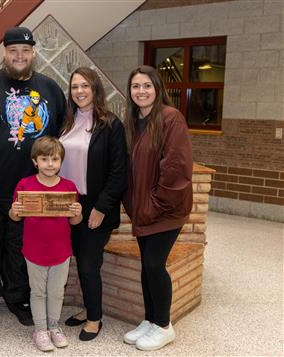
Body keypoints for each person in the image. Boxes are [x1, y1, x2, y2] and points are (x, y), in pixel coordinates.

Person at [0, 26, 66, 331]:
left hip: (32, 192)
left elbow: (59, 138)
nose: (19, 56)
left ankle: (18, 299)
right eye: (12, 51)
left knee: (21, 249)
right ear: (4, 53)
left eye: (25, 51)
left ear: (33, 53)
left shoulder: (50, 89)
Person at [122, 65, 193, 351]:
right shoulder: (133, 120)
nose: (141, 91)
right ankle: (150, 319)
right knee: (146, 267)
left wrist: (155, 204)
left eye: (147, 86)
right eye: (136, 86)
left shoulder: (170, 118)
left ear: (157, 88)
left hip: (166, 210)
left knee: (154, 264)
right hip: (143, 209)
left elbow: (176, 166)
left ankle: (164, 326)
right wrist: (135, 204)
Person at [59, 67, 127, 341]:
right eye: (75, 87)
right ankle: (88, 309)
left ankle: (95, 319)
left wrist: (101, 208)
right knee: (79, 259)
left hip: (95, 205)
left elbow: (119, 172)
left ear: (95, 89)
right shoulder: (65, 122)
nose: (79, 91)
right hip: (66, 204)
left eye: (85, 86)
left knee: (88, 264)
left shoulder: (111, 124)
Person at [9, 136, 83, 352]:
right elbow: (14, 217)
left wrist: (78, 213)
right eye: (44, 159)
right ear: (35, 161)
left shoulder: (69, 187)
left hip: (61, 251)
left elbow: (75, 221)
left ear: (61, 162)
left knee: (57, 291)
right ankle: (40, 329)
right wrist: (15, 211)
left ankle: (54, 326)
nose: (50, 164)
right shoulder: (25, 185)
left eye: (54, 159)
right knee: (38, 291)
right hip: (33, 250)